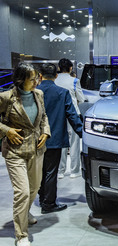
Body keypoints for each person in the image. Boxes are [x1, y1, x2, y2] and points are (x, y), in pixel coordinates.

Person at [0, 63, 50, 246]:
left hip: (36, 149)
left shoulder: (39, 94)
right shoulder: (6, 98)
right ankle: (21, 235)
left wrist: (45, 132)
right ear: (21, 80)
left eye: (37, 77)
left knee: (35, 187)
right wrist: (6, 130)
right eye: (32, 78)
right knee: (22, 192)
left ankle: (24, 212)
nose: (37, 81)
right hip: (15, 151)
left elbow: (44, 116)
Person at [37, 63, 83, 214]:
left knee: (38, 171)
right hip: (54, 138)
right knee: (51, 172)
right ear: (56, 76)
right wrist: (82, 132)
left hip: (35, 139)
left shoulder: (34, 92)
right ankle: (49, 203)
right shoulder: (62, 93)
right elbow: (72, 115)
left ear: (40, 76)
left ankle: (42, 197)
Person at [55, 58, 85, 178]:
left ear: (59, 68)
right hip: (73, 114)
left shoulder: (55, 80)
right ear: (71, 68)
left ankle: (60, 171)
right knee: (74, 143)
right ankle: (74, 171)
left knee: (61, 143)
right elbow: (81, 98)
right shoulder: (75, 81)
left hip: (58, 114)